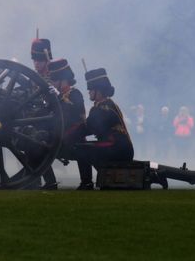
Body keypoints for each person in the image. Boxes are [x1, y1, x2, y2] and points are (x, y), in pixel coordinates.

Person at [76, 67, 134, 190]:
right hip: (117, 146)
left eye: (91, 89)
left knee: (81, 149)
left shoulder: (103, 109)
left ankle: (87, 183)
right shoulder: (106, 105)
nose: (89, 92)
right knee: (87, 148)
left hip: (117, 147)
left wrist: (68, 132)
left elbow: (88, 127)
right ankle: (107, 177)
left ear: (99, 90)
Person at [47, 59, 87, 188]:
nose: (52, 82)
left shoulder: (75, 94)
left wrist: (59, 97)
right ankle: (50, 182)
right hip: (60, 137)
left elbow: (74, 114)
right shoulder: (58, 97)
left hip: (74, 138)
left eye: (54, 79)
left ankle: (87, 182)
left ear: (62, 80)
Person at [29, 37, 57, 189]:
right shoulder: (33, 76)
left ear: (46, 59)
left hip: (50, 121)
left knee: (34, 141)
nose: (36, 64)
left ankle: (44, 180)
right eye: (34, 60)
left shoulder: (55, 76)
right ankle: (34, 179)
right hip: (36, 118)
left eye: (39, 60)